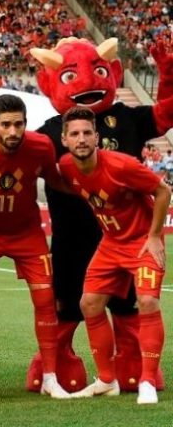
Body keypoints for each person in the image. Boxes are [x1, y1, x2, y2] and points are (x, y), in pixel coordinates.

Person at [0, 94, 70, 404]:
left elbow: (56, 181)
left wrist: (91, 189)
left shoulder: (41, 146)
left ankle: (50, 378)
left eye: (18, 124)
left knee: (46, 299)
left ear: (26, 123)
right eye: (6, 125)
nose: (13, 131)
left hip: (26, 233)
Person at [59, 107, 169, 405]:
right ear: (65, 139)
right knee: (89, 304)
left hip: (142, 243)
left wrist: (154, 236)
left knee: (147, 302)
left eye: (87, 133)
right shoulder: (66, 167)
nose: (81, 139)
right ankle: (107, 380)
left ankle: (147, 381)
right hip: (111, 244)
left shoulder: (122, 165)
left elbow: (162, 191)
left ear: (97, 137)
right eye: (74, 134)